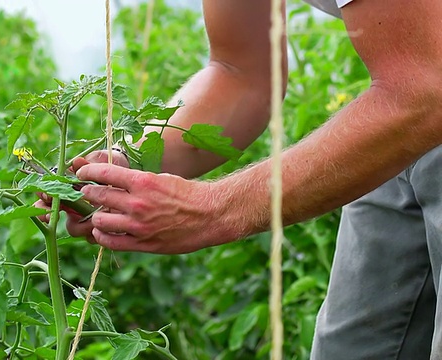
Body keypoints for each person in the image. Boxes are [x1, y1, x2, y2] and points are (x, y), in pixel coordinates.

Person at [37, 0, 442, 358]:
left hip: (419, 92)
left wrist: (214, 210)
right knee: (353, 345)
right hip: (410, 92)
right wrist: (131, 161)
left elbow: (424, 91)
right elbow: (241, 73)